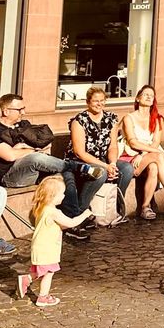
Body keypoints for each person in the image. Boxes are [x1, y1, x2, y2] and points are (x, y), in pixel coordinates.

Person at [0, 93, 102, 242]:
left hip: (35, 170)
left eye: (23, 108)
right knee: (36, 158)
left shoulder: (24, 125)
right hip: (10, 177)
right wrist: (30, 150)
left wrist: (25, 148)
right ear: (6, 111)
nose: (23, 112)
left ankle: (72, 221)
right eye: (19, 109)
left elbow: (45, 146)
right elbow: (10, 156)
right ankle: (76, 167)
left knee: (64, 174)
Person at [16, 175, 91, 308]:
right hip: (47, 248)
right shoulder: (53, 212)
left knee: (42, 270)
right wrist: (85, 214)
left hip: (41, 247)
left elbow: (55, 225)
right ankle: (43, 297)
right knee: (49, 272)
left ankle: (26, 280)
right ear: (52, 196)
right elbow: (71, 222)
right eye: (61, 193)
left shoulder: (42, 209)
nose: (63, 196)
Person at [120, 85, 164, 219]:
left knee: (153, 167)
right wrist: (144, 154)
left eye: (151, 96)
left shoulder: (157, 119)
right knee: (158, 157)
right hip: (131, 155)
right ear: (138, 98)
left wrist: (144, 154)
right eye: (145, 94)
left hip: (148, 155)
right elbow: (133, 142)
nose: (149, 97)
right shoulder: (129, 118)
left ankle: (145, 208)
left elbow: (155, 143)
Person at [67, 87, 130, 225]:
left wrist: (112, 163)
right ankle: (80, 212)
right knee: (99, 173)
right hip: (80, 162)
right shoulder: (79, 121)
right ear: (88, 102)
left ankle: (115, 209)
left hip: (104, 160)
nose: (99, 104)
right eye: (95, 101)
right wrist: (106, 166)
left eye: (102, 101)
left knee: (126, 169)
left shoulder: (111, 119)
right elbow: (79, 152)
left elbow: (113, 145)